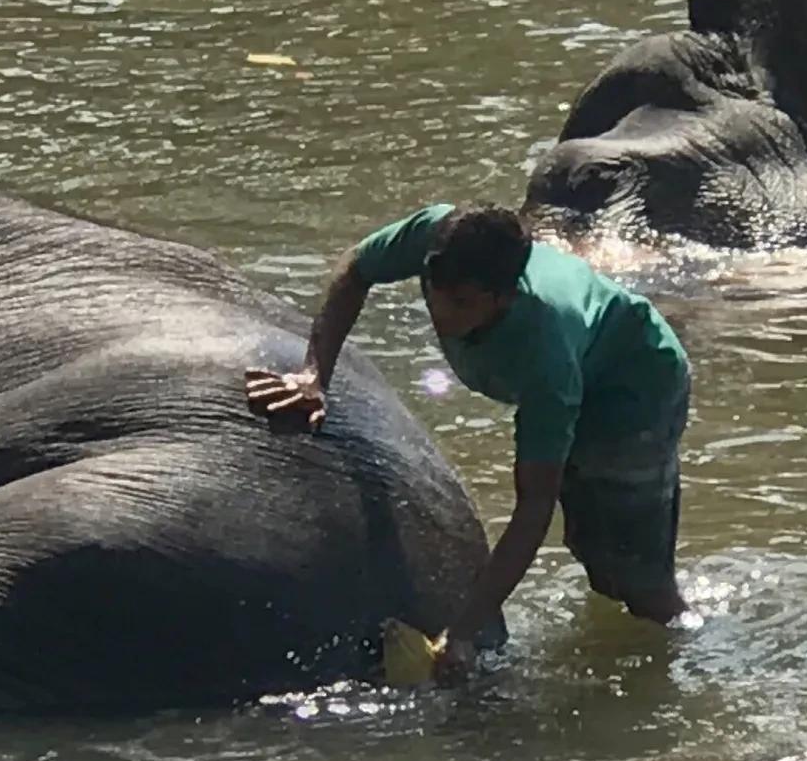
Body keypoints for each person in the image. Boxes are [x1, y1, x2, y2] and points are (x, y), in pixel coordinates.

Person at [248, 203, 690, 672]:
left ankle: (685, 646)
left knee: (636, 574)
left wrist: (463, 631)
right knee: (593, 550)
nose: (440, 312)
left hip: (634, 387)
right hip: (585, 353)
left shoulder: (544, 352)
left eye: (461, 302)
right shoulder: (436, 235)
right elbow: (356, 269)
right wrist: (314, 374)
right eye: (433, 292)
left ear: (503, 298)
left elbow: (534, 505)